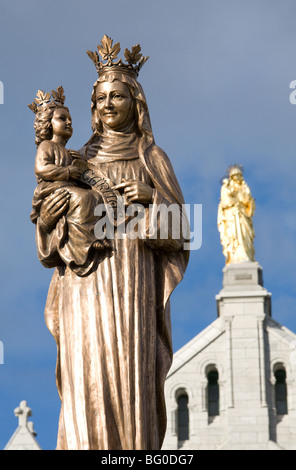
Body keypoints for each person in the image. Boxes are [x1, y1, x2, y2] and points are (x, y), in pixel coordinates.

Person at [31, 35, 189, 450]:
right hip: (83, 281)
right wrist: (48, 223)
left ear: (135, 103)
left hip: (133, 279)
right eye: (99, 98)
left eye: (116, 96)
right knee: (89, 372)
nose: (106, 105)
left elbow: (182, 231)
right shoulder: (76, 159)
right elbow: (48, 244)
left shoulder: (150, 156)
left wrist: (154, 198)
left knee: (129, 370)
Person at [29, 87, 110, 277]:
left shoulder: (72, 153)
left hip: (67, 189)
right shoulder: (46, 146)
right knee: (83, 199)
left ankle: (90, 237)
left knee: (93, 197)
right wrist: (67, 172)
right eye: (62, 119)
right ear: (47, 124)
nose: (69, 122)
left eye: (69, 119)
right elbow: (41, 169)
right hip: (52, 189)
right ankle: (84, 244)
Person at [218, 164, 255, 264]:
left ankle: (245, 255)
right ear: (232, 177)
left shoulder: (243, 188)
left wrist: (248, 197)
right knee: (233, 237)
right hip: (231, 216)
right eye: (235, 176)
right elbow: (225, 201)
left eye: (239, 175)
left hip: (242, 215)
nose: (238, 178)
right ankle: (236, 256)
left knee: (244, 235)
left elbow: (248, 201)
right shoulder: (226, 188)